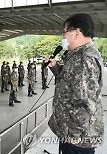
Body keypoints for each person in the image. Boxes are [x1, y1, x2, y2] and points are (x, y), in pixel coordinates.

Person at [45, 13, 104, 154]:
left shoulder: (85, 58)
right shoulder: (77, 55)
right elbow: (70, 81)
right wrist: (54, 66)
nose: (63, 37)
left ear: (76, 33)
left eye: (64, 32)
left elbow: (85, 101)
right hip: (69, 130)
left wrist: (74, 133)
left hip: (77, 138)